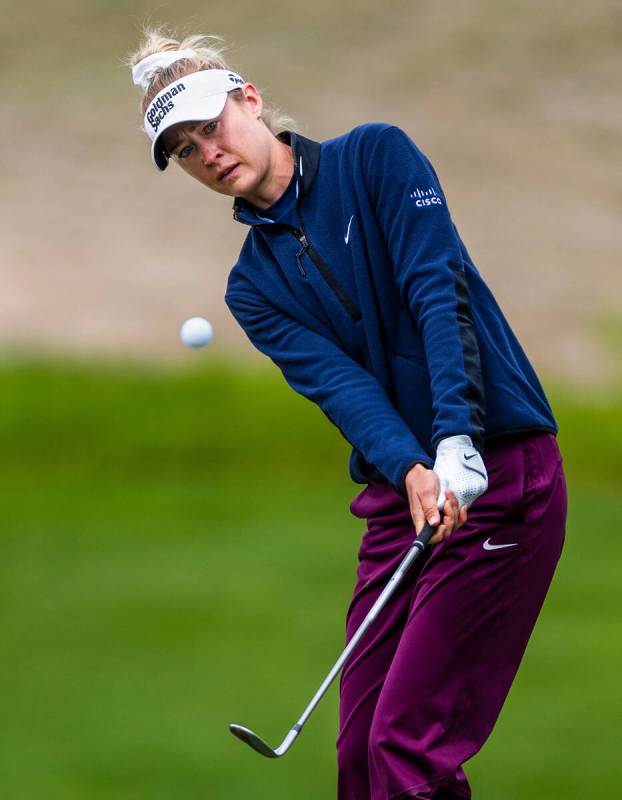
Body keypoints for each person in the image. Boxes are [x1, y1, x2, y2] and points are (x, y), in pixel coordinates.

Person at [128, 28, 568, 800]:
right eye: (186, 150)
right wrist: (410, 467)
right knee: (361, 761)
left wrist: (456, 433)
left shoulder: (377, 159)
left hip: (499, 471)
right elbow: (345, 390)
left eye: (212, 126)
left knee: (407, 749)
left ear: (250, 100)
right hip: (406, 499)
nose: (209, 153)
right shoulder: (252, 288)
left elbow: (439, 293)